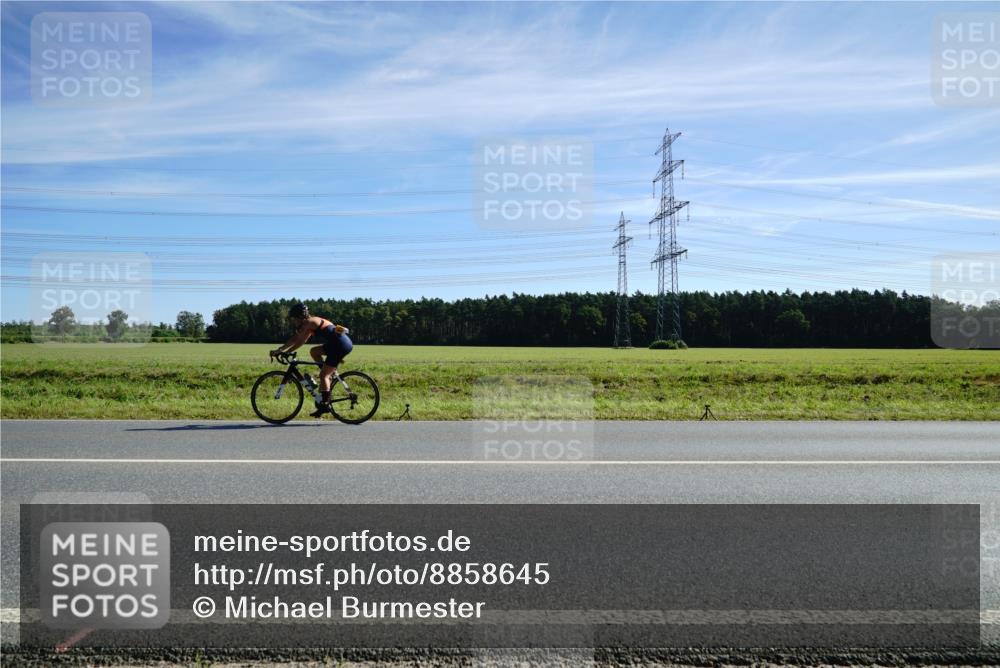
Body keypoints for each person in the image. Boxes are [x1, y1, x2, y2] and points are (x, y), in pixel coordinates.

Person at [271, 302, 353, 417]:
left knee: (323, 375)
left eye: (294, 319)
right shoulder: (311, 323)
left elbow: (296, 339)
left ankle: (325, 404)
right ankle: (328, 374)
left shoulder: (309, 322)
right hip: (339, 343)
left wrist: (282, 350)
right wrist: (285, 351)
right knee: (314, 351)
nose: (293, 321)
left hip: (339, 345)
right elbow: (302, 341)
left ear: (300, 317)